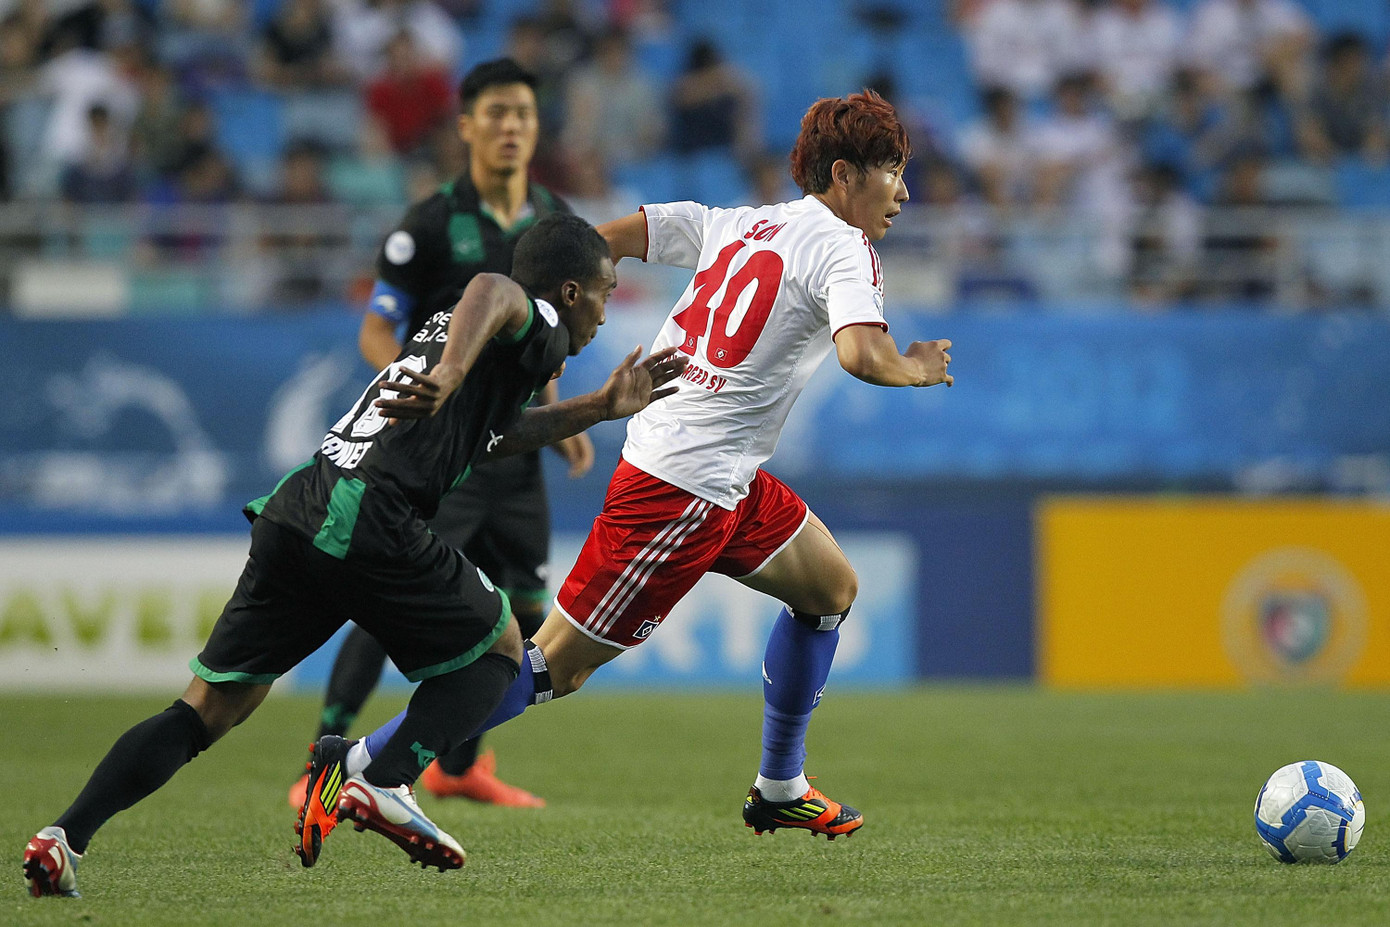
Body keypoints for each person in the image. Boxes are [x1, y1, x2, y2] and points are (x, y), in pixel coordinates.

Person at [306, 88, 954, 867]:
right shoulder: (846, 248)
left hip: (723, 475)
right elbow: (861, 354)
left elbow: (610, 238)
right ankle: (367, 765)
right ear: (845, 173)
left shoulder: (743, 222)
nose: (904, 194)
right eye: (893, 172)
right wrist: (915, 368)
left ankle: (780, 784)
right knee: (554, 666)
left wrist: (535, 296)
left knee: (831, 590)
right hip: (681, 487)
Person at [21, 211, 688, 898]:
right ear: (572, 291)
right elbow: (494, 285)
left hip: (300, 506)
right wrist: (455, 371)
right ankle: (379, 775)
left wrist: (599, 407)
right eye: (608, 291)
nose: (609, 313)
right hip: (368, 512)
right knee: (501, 650)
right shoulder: (537, 316)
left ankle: (62, 837)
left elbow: (492, 435)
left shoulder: (482, 341)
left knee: (208, 709)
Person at [287, 57, 593, 813]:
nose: (512, 127)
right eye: (496, 113)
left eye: (524, 112)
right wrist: (412, 394)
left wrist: (563, 415)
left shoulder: (552, 215)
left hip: (512, 452)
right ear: (466, 126)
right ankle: (319, 755)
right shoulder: (427, 224)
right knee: (393, 602)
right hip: (441, 457)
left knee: (521, 611)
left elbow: (546, 330)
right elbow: (377, 328)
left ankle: (461, 765)